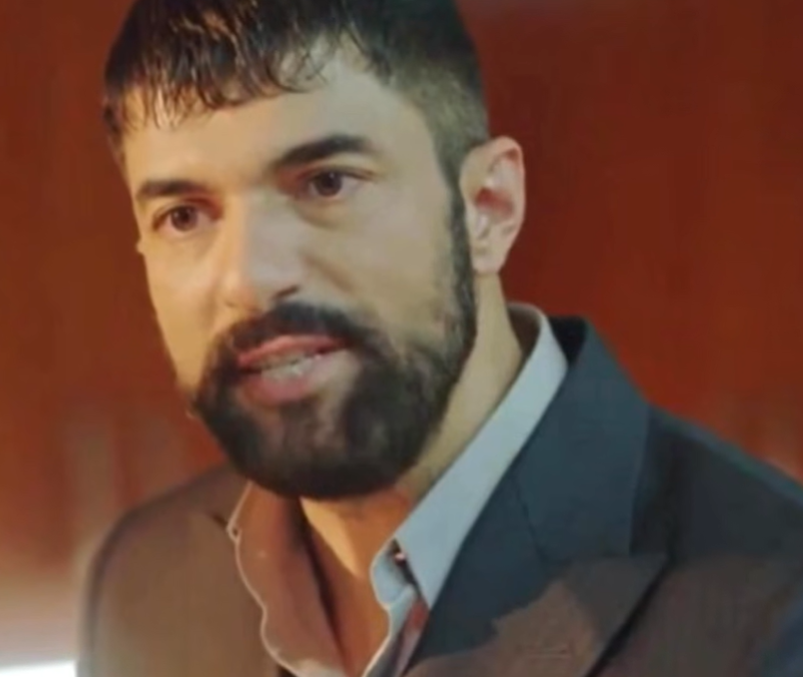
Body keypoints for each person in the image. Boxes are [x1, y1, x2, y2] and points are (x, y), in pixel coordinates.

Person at [80, 0, 803, 675]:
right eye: (183, 216)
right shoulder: (145, 583)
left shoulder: (776, 611)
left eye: (327, 183)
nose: (249, 279)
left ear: (488, 207)